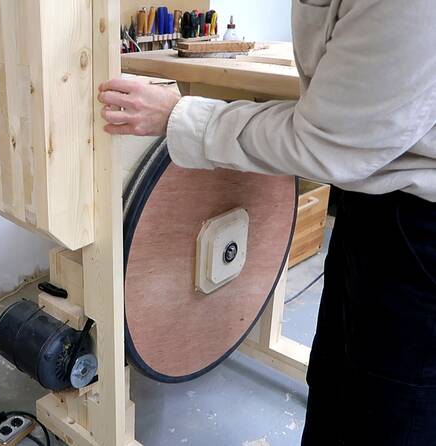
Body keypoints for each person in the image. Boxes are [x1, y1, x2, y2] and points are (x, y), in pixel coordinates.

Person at [98, 0, 436, 444]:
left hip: (419, 225)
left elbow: (328, 145)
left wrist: (178, 115)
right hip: (375, 197)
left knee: (388, 410)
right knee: (338, 378)